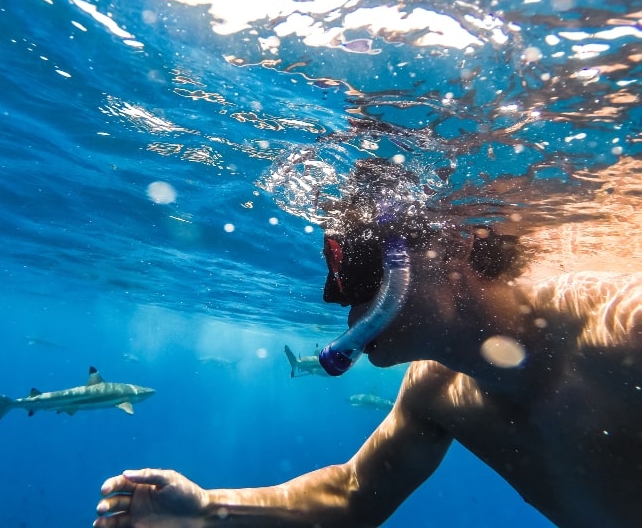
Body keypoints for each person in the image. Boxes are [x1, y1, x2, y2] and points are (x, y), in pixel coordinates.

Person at [94, 159, 642, 528]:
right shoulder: (435, 390)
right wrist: (205, 508)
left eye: (359, 272)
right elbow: (353, 493)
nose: (343, 306)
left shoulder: (624, 332)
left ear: (448, 248)